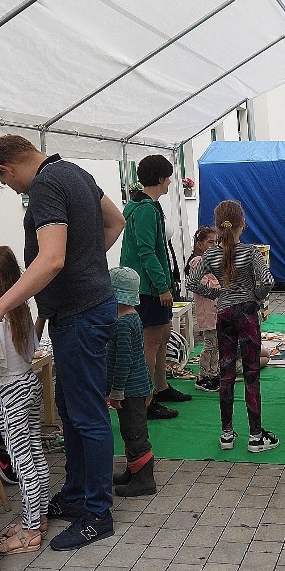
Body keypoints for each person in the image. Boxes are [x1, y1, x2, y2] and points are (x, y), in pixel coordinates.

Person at [0, 134, 125, 552]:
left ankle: (98, 514)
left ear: (6, 170)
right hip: (83, 308)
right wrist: (88, 263)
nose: (15, 191)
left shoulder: (44, 186)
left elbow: (51, 258)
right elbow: (116, 222)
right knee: (74, 411)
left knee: (88, 415)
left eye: (7, 184)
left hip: (79, 314)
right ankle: (76, 496)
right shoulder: (76, 173)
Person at [0, 246, 49, 555]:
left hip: (9, 392)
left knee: (21, 462)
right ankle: (38, 518)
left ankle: (30, 532)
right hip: (30, 383)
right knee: (37, 455)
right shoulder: (19, 309)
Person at [186, 200, 279, 453]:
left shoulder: (210, 254)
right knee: (251, 373)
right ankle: (256, 435)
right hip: (246, 312)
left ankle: (227, 433)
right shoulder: (250, 252)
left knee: (225, 373)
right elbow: (268, 281)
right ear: (243, 224)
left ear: (217, 225)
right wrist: (256, 296)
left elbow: (192, 283)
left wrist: (217, 294)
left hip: (224, 312)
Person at [120, 154, 191, 419]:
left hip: (149, 285)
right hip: (148, 288)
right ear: (160, 179)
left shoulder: (141, 205)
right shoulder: (147, 209)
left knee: (163, 334)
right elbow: (147, 252)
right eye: (169, 177)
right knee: (150, 343)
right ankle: (147, 399)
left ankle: (160, 387)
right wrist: (162, 287)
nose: (171, 182)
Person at [106, 267, 157, 497]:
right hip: (137, 387)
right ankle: (133, 471)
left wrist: (116, 391)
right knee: (129, 431)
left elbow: (124, 360)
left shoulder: (124, 324)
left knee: (135, 433)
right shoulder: (131, 316)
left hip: (130, 390)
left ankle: (144, 480)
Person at [185, 227, 221, 393]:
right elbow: (205, 284)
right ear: (200, 245)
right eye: (210, 242)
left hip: (216, 309)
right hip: (207, 311)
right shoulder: (197, 262)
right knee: (210, 344)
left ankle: (213, 373)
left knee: (216, 344)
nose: (215, 245)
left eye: (216, 242)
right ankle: (202, 376)